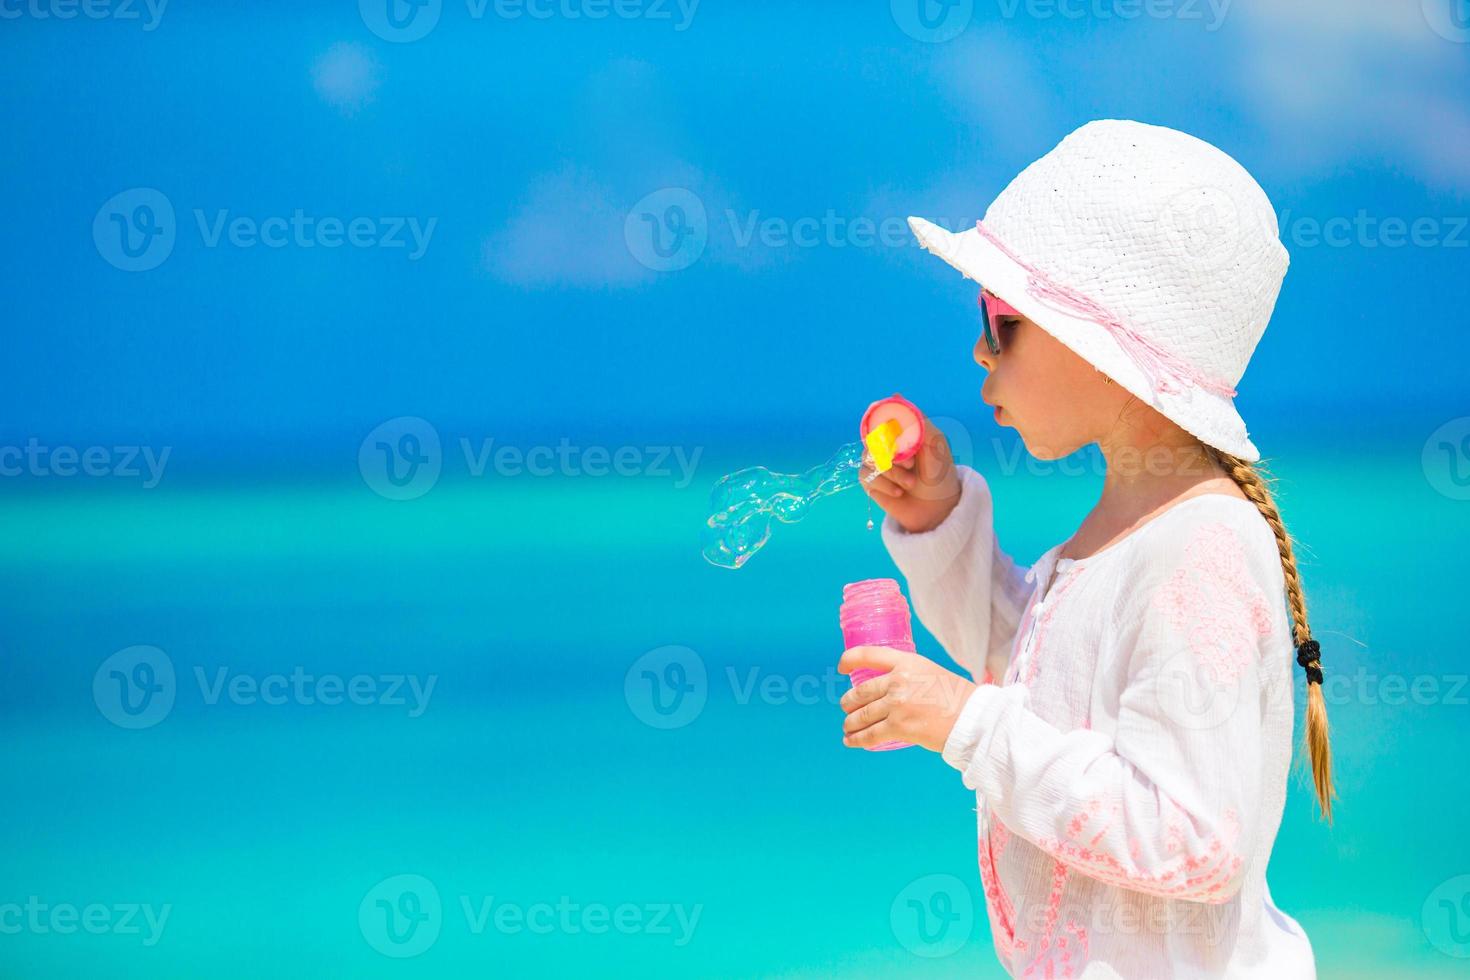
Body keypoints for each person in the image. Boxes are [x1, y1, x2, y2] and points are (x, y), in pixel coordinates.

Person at [839, 119, 1326, 978]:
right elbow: (1027, 675)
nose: (979, 352)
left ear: (1101, 346)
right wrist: (941, 518)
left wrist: (965, 724)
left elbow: (1194, 838)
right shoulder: (1119, 539)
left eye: (1001, 322)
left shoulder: (1201, 551)